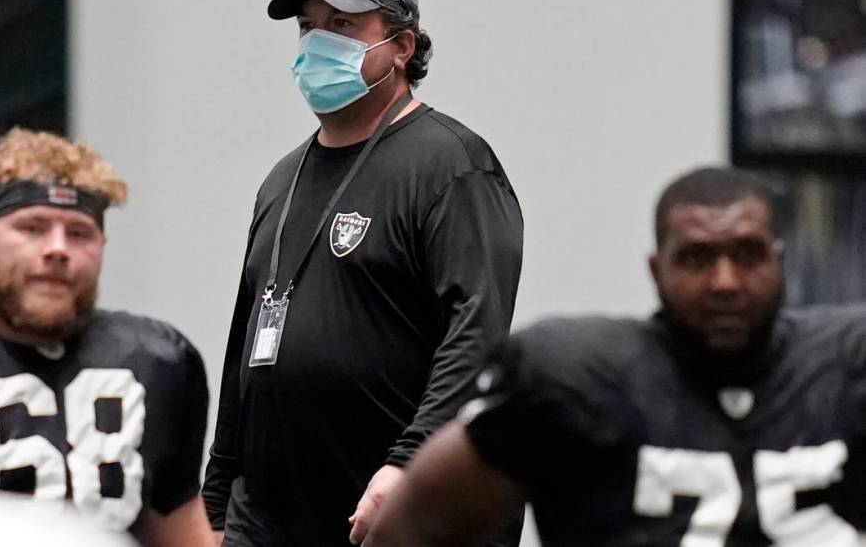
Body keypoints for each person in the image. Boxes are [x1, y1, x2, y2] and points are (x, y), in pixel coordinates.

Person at [201, 0, 524, 546]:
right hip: (273, 516)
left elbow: (476, 335)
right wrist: (216, 501)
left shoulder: (453, 165)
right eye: (307, 26)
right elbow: (248, 342)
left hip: (404, 510)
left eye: (343, 25)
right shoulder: (281, 179)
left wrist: (409, 461)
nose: (317, 43)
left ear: (401, 47)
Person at [365, 165, 866, 547]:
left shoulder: (848, 364)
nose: (725, 283)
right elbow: (412, 529)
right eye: (696, 258)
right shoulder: (576, 376)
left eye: (748, 255)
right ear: (656, 269)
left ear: (779, 261)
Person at [0, 128, 215, 546]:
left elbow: (180, 529)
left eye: (78, 233)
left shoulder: (157, 360)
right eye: (33, 227)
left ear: (102, 245)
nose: (57, 249)